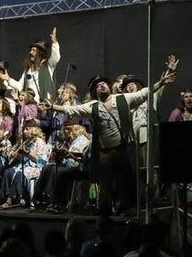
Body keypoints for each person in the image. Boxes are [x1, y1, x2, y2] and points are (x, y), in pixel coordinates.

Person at [43, 56, 177, 216]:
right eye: (98, 86)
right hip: (104, 153)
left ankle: (124, 209)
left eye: (104, 83)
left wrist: (161, 82)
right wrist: (53, 106)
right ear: (95, 92)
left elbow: (144, 93)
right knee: (105, 184)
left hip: (122, 150)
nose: (102, 86)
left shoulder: (122, 99)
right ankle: (105, 211)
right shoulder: (92, 106)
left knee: (124, 181)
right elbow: (71, 110)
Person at [11, 28, 61, 103]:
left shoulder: (47, 66)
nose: (30, 52)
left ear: (40, 53)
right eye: (31, 50)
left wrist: (54, 42)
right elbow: (20, 85)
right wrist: (8, 79)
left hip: (42, 104)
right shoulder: (28, 70)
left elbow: (56, 57)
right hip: (29, 104)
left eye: (34, 50)